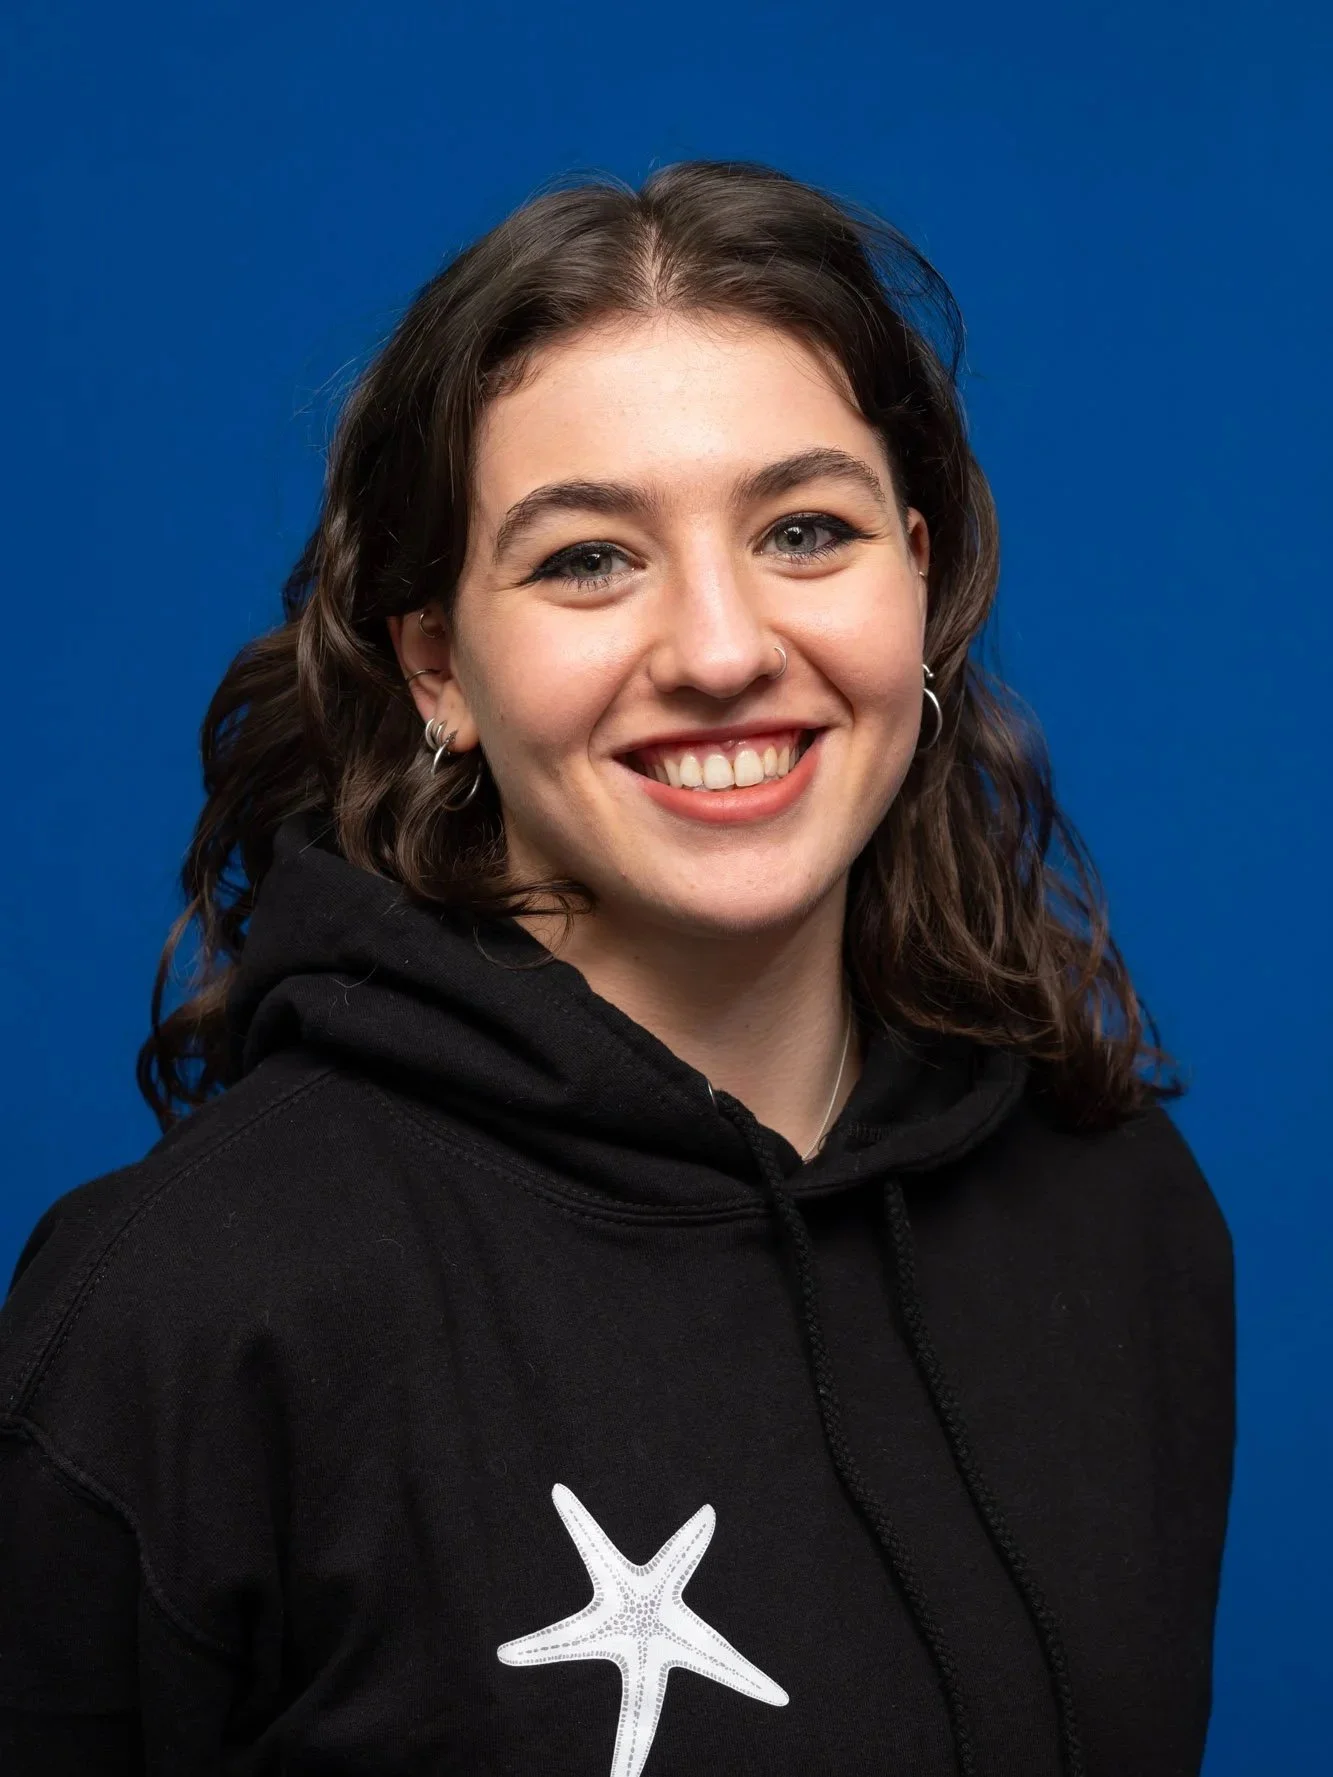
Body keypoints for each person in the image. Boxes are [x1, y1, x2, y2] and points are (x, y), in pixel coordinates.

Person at [0, 161, 1233, 1777]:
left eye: (806, 531)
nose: (721, 650)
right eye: (588, 558)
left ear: (917, 583)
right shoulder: (190, 1310)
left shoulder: (1118, 1213)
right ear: (438, 664)